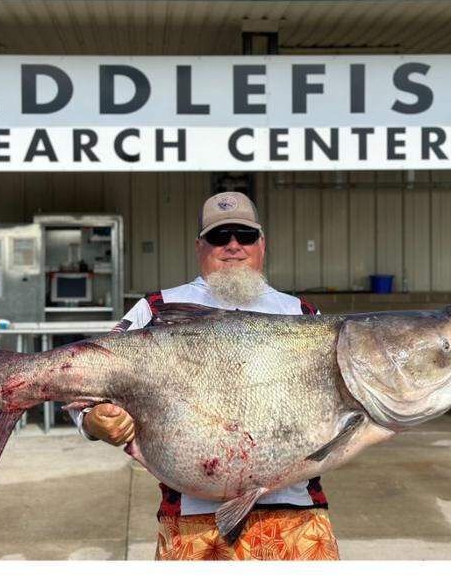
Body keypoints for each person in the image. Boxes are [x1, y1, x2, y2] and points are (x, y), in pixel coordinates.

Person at [70, 191, 338, 561]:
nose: (233, 246)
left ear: (262, 244)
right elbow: (82, 378)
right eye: (219, 236)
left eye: (244, 236)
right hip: (193, 521)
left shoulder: (303, 314)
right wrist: (91, 421)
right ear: (199, 246)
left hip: (296, 516)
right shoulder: (158, 309)